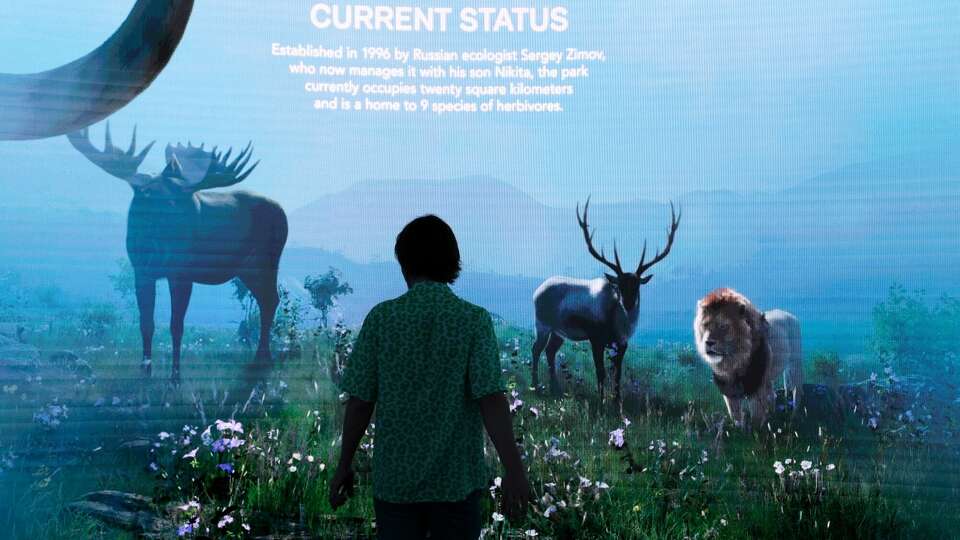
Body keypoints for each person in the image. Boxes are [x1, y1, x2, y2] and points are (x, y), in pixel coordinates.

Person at [329, 215, 530, 539]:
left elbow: (360, 402)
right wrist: (514, 469)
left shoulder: (382, 319)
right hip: (456, 485)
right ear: (453, 263)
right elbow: (491, 400)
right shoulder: (473, 321)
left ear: (404, 264)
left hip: (396, 484)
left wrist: (344, 465)